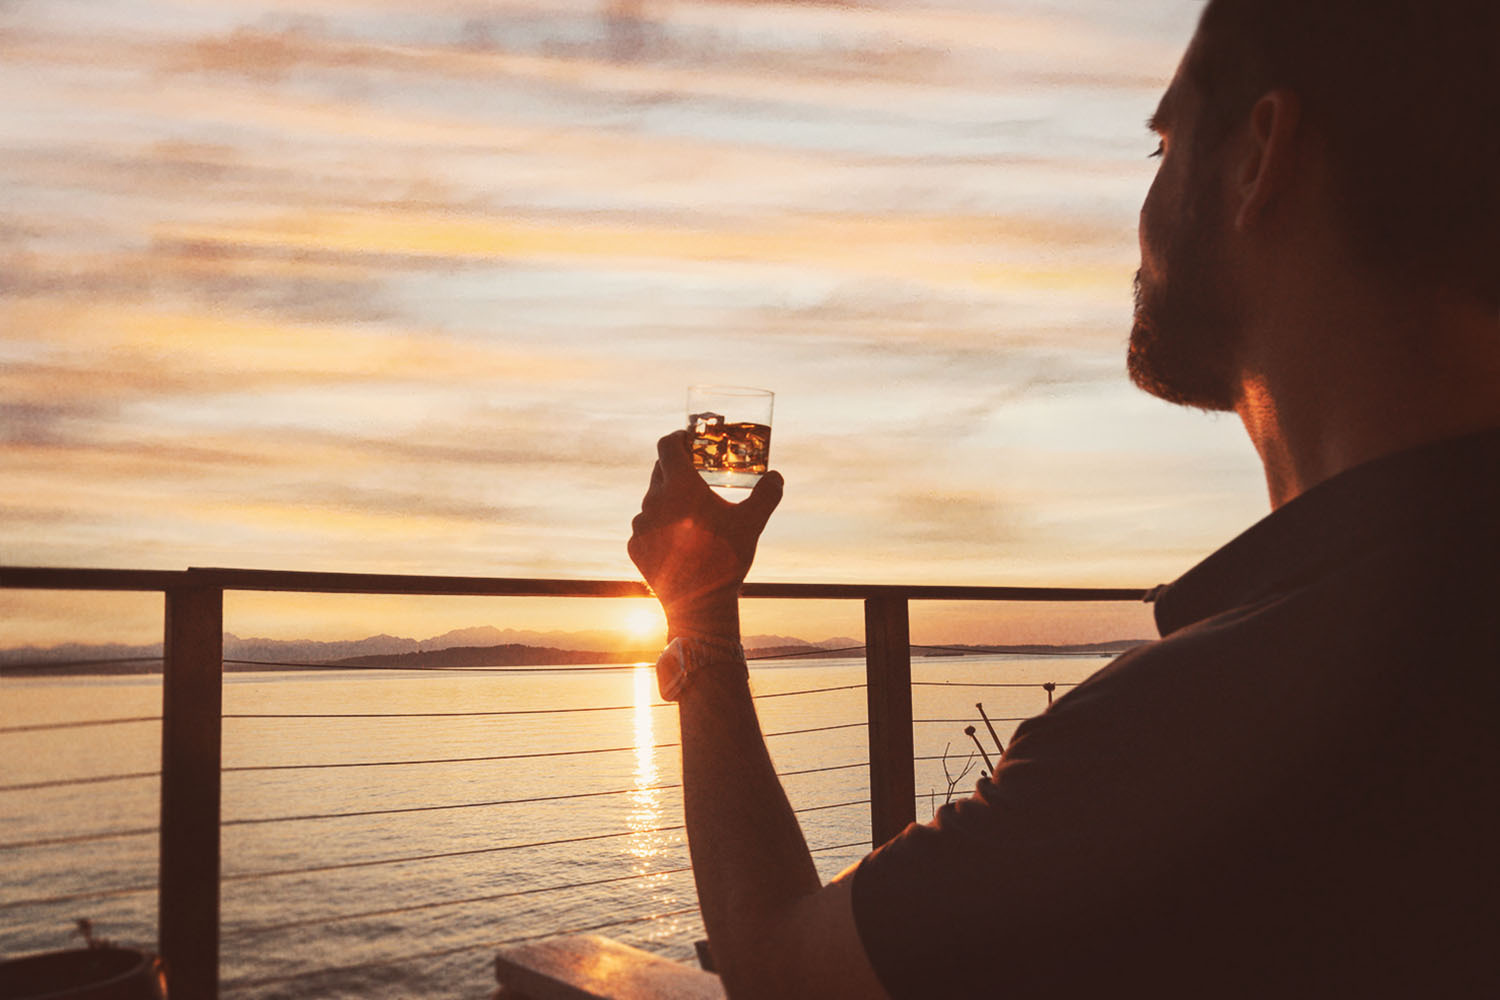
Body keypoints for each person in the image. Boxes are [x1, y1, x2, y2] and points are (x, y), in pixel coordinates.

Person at [627, 0, 1500, 996]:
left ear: (1261, 156)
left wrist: (696, 603)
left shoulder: (1194, 735)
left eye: (1163, 146)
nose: (1147, 203)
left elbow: (782, 967)